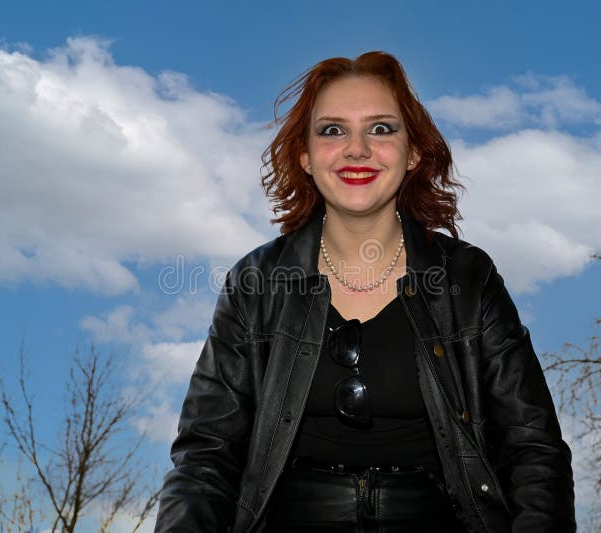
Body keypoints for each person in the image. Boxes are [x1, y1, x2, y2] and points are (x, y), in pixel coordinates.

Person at [154, 51, 576, 533]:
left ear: (414, 152)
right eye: (332, 130)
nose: (357, 149)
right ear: (305, 155)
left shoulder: (468, 279)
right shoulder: (256, 284)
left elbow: (534, 451)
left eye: (381, 129)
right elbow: (204, 460)